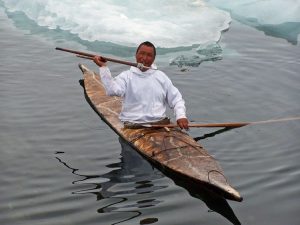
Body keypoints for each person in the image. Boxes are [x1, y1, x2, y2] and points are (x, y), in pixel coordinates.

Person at [93, 41, 189, 130]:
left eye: (149, 55)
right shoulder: (126, 76)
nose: (144, 58)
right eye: (142, 54)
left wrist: (181, 116)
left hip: (160, 124)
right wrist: (103, 67)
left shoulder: (161, 77)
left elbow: (176, 99)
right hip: (133, 124)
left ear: (154, 58)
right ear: (136, 54)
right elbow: (112, 91)